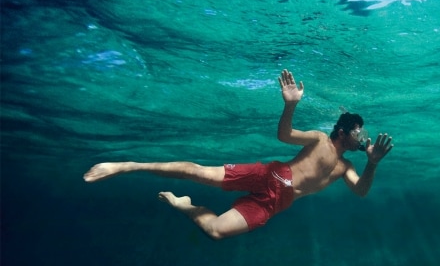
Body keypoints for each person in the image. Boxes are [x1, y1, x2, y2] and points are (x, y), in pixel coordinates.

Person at [83, 70, 394, 239]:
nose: (363, 137)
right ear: (342, 131)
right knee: (196, 172)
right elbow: (284, 135)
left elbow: (362, 191)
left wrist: (372, 163)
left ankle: (186, 206)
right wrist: (290, 105)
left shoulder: (347, 166)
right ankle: (127, 165)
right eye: (359, 132)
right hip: (270, 175)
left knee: (216, 231)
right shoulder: (318, 140)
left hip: (276, 202)